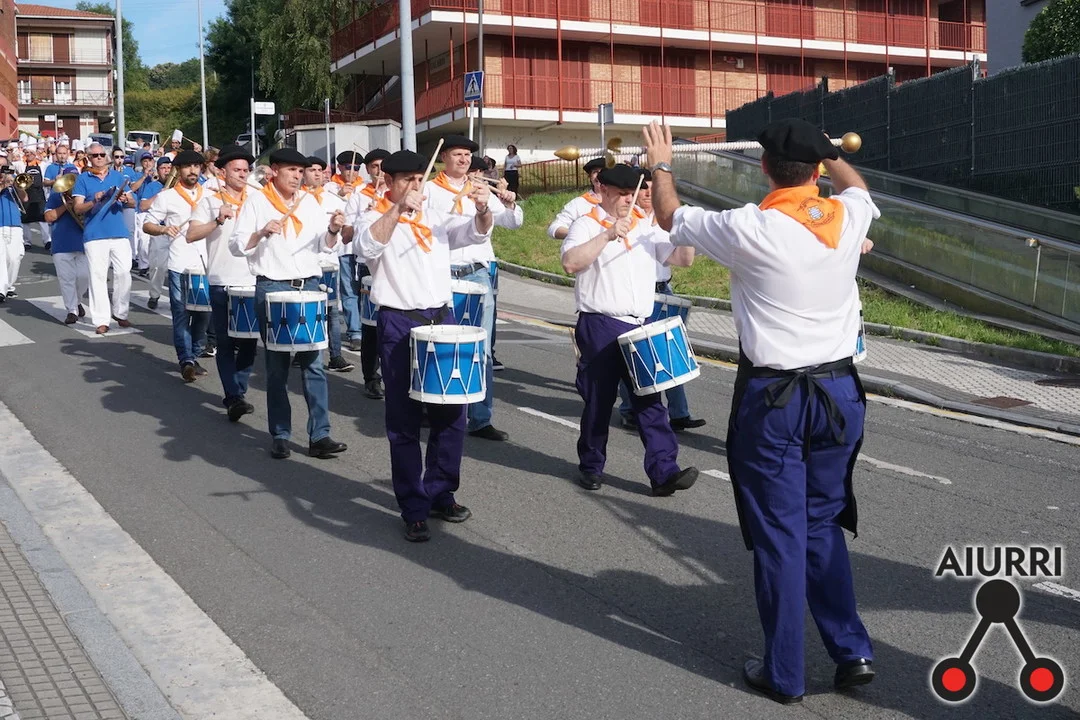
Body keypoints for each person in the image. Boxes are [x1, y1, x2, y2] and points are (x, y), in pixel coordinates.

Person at [642, 118, 879, 704]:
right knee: (823, 522)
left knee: (779, 534)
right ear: (818, 170)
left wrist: (662, 164)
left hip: (775, 398)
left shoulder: (751, 226)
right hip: (838, 393)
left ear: (765, 168)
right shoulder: (847, 217)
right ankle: (851, 651)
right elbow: (859, 187)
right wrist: (830, 150)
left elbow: (669, 215)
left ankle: (785, 673)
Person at [355, 149, 494, 542]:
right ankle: (413, 507)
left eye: (420, 179)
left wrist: (484, 209)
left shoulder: (435, 215)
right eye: (407, 180)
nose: (416, 186)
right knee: (403, 420)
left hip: (441, 318)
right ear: (389, 182)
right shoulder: (373, 214)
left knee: (452, 412)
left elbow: (475, 233)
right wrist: (398, 209)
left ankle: (440, 491)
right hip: (399, 321)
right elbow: (366, 249)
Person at [560, 163, 698, 496]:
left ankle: (664, 472)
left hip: (640, 324)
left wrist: (686, 230)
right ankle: (591, 465)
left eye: (630, 193)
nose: (628, 199)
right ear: (604, 190)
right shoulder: (586, 223)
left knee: (650, 402)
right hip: (600, 323)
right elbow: (570, 263)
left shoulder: (645, 227)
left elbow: (682, 259)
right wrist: (607, 234)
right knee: (599, 401)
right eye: (621, 194)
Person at [229, 147, 348, 461]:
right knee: (277, 367)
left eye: (300, 171)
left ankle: (320, 435)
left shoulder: (310, 202)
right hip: (273, 286)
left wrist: (333, 230)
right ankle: (280, 434)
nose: (297, 176)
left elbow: (324, 246)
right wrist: (261, 232)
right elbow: (237, 245)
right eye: (291, 170)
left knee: (314, 365)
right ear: (274, 171)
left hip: (309, 285)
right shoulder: (257, 201)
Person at [425, 134, 522, 442]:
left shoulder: (480, 190)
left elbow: (513, 222)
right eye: (458, 154)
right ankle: (437, 408)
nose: (464, 159)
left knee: (481, 348)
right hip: (442, 275)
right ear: (444, 158)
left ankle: (481, 418)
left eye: (467, 155)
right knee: (440, 345)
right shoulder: (429, 190)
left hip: (477, 276)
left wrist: (509, 202)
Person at [615, 169, 706, 433]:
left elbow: (685, 260)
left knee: (671, 352)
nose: (648, 193)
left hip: (663, 290)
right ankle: (629, 410)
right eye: (643, 188)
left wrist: (686, 229)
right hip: (635, 293)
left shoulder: (668, 221)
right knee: (633, 355)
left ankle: (679, 413)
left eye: (653, 189)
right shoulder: (627, 220)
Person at [186, 144, 259, 422]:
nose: (242, 174)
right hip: (222, 280)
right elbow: (191, 234)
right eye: (236, 169)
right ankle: (234, 396)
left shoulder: (257, 199)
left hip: (253, 280)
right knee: (226, 342)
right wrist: (217, 219)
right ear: (222, 172)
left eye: (246, 170)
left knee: (250, 343)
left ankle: (237, 390)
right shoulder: (209, 201)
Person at [143, 150, 211, 381]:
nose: (193, 170)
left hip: (206, 263)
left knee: (203, 315)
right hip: (179, 262)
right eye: (187, 166)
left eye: (196, 166)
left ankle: (194, 352)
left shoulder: (210, 194)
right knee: (181, 313)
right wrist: (163, 229)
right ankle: (186, 361)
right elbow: (147, 224)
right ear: (179, 170)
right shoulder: (167, 197)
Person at [341, 148, 390, 399]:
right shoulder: (359, 196)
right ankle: (371, 377)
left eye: (383, 166)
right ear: (368, 170)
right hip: (367, 264)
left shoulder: (399, 196)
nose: (379, 171)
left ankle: (395, 375)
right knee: (371, 325)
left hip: (395, 264)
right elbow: (346, 235)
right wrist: (366, 216)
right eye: (374, 167)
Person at [71, 143, 135, 334]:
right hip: (95, 234)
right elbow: (77, 208)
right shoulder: (82, 179)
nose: (99, 158)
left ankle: (120, 312)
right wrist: (94, 200)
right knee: (97, 276)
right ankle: (101, 319)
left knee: (124, 273)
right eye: (94, 155)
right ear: (89, 158)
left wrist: (125, 199)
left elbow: (133, 202)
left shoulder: (118, 176)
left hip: (119, 232)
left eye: (101, 154)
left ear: (106, 157)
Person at [302, 156, 354, 373]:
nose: (316, 173)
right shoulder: (296, 199)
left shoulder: (334, 200)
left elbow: (345, 231)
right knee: (305, 310)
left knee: (331, 311)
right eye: (311, 170)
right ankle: (304, 351)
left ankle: (335, 356)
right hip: (305, 262)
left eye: (319, 170)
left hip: (329, 262)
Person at [43, 168, 88, 323]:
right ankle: (72, 310)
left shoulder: (84, 195)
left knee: (84, 277)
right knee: (66, 279)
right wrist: (66, 206)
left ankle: (77, 300)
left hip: (83, 243)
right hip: (61, 244)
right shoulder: (56, 196)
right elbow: (48, 217)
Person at [547, 157, 605, 240]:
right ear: (590, 176)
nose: (599, 176)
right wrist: (578, 234)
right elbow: (554, 228)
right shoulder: (579, 203)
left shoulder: (620, 201)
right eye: (595, 172)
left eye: (603, 172)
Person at [139, 157, 172, 303]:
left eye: (169, 168)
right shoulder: (152, 186)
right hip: (159, 230)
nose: (167, 171)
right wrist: (160, 195)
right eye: (163, 168)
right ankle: (155, 294)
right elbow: (143, 206)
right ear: (158, 170)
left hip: (176, 230)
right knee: (158, 266)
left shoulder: (178, 186)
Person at [0, 157, 29, 300]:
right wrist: (3, 185)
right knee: (1, 258)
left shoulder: (13, 181)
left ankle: (8, 286)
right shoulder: (4, 183)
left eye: (3, 166)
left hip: (15, 224)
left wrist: (17, 186)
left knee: (15, 258)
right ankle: (1, 290)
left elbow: (25, 199)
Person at [130, 151, 157, 274]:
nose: (147, 163)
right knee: (143, 238)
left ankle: (153, 263)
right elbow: (133, 188)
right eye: (145, 161)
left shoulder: (157, 174)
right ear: (141, 163)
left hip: (156, 209)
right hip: (142, 210)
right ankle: (144, 265)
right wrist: (144, 176)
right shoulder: (136, 175)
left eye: (149, 161)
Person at [19, 146, 50, 250]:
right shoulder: (21, 165)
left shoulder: (42, 165)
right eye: (26, 153)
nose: (28, 154)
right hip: (26, 194)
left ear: (35, 154)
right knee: (25, 220)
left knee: (43, 218)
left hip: (39, 195)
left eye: (31, 153)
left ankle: (47, 240)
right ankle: (27, 242)